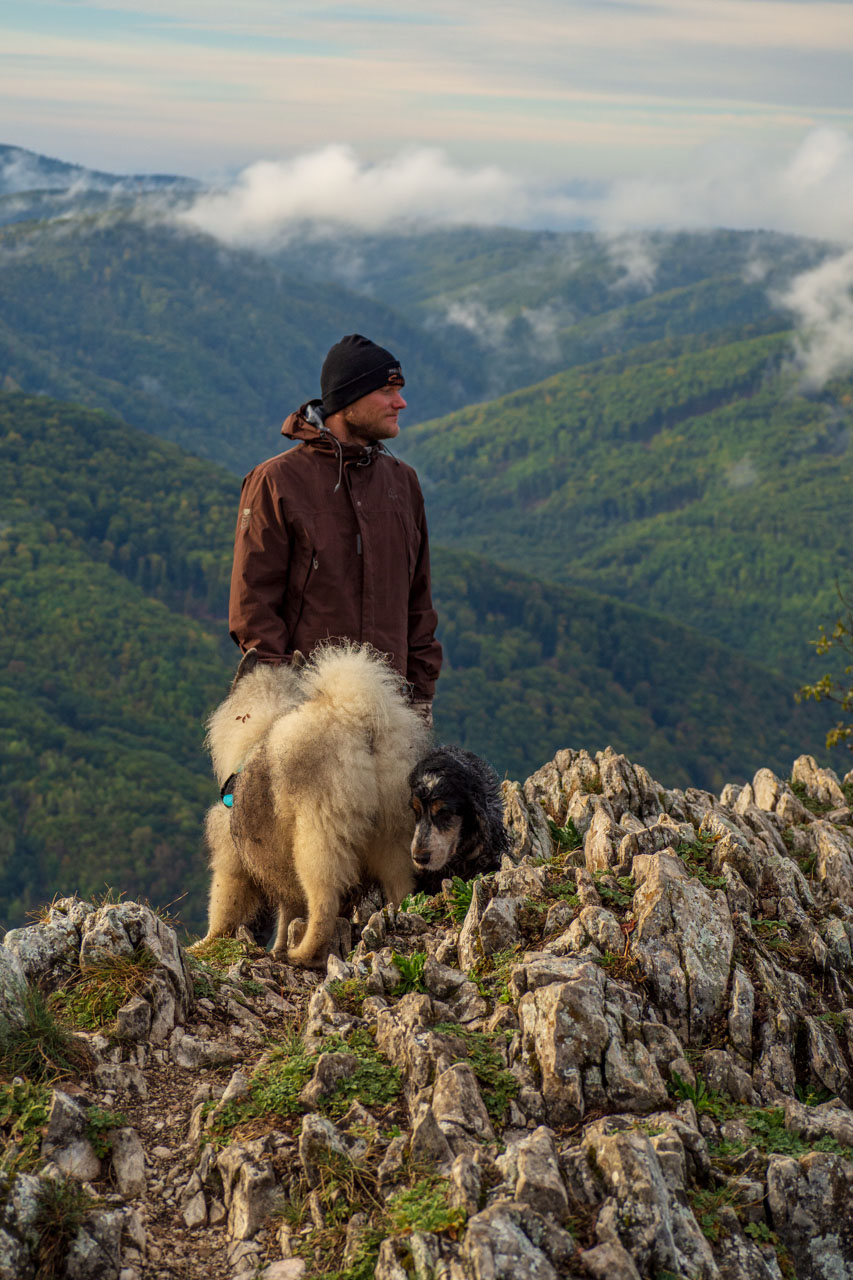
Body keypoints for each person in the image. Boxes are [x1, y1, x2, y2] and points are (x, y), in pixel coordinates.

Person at [228, 333, 442, 724]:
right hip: (306, 714)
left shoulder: (402, 483)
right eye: (387, 391)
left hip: (390, 715)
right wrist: (278, 704)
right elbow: (254, 606)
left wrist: (420, 694)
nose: (401, 403)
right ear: (348, 401)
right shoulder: (276, 482)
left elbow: (419, 601)